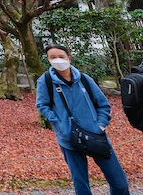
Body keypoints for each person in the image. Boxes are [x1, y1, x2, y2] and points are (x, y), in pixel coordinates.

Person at [36, 44, 129, 195]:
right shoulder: (45, 81)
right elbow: (42, 105)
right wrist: (60, 125)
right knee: (82, 187)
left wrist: (99, 125)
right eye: (53, 57)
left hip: (95, 136)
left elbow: (103, 105)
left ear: (69, 58)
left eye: (61, 56)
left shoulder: (84, 79)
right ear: (48, 60)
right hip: (69, 139)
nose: (58, 60)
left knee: (120, 184)